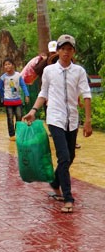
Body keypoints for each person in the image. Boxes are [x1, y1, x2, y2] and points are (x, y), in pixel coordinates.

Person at [22, 34, 92, 213]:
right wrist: (33, 111)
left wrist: (88, 121)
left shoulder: (79, 71)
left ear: (73, 51)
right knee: (64, 157)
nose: (66, 52)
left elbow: (86, 95)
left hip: (73, 119)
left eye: (69, 49)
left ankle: (54, 181)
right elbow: (43, 93)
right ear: (58, 51)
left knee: (71, 157)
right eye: (63, 49)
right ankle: (68, 198)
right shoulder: (49, 71)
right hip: (55, 118)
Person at [0, 58, 30, 141]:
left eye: (9, 64)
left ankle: (18, 133)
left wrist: (26, 95)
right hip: (8, 101)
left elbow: (23, 85)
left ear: (13, 65)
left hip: (17, 100)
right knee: (10, 118)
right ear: (3, 67)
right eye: (5, 65)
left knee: (19, 117)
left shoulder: (18, 75)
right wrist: (2, 97)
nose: (7, 66)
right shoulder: (3, 77)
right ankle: (12, 135)